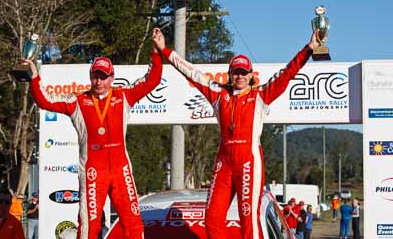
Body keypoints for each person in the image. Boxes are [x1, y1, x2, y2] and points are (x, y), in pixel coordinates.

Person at [154, 28, 319, 239]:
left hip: (249, 162)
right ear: (230, 74)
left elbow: (288, 73)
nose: (239, 76)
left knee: (248, 219)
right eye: (236, 72)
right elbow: (190, 71)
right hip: (224, 164)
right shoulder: (219, 94)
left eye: (243, 72)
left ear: (251, 75)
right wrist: (165, 50)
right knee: (212, 218)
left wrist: (309, 48)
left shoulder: (260, 95)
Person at [22, 28, 163, 239]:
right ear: (90, 76)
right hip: (92, 171)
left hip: (120, 169)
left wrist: (156, 52)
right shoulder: (78, 100)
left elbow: (152, 80)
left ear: (112, 77)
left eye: (103, 77)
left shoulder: (123, 96)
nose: (99, 82)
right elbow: (45, 101)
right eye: (95, 76)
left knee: (133, 223)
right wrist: (34, 77)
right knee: (89, 227)